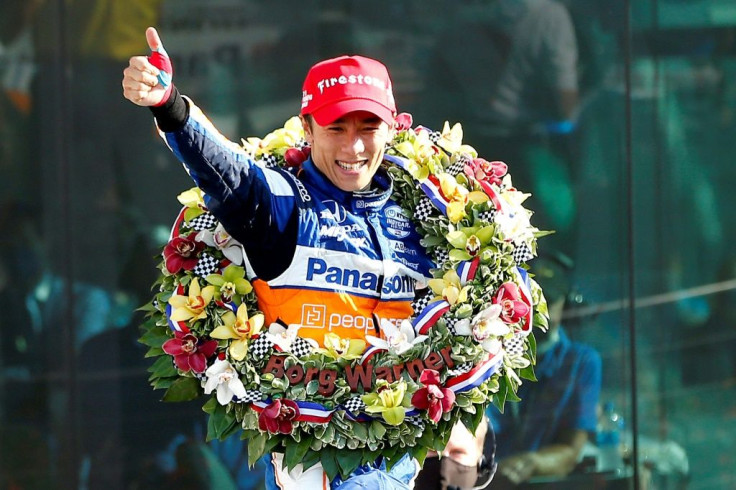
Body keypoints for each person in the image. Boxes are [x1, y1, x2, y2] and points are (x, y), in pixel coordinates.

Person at [122, 27, 436, 489]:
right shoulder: (283, 202)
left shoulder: (426, 214)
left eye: (368, 128)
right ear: (307, 128)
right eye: (337, 129)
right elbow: (227, 170)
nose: (353, 148)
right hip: (316, 456)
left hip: (399, 454)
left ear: (392, 128)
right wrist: (170, 107)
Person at [485, 253, 601, 488]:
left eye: (549, 299)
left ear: (566, 304)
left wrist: (530, 463)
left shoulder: (581, 362)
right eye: (529, 300)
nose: (538, 311)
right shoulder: (485, 352)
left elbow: (570, 449)